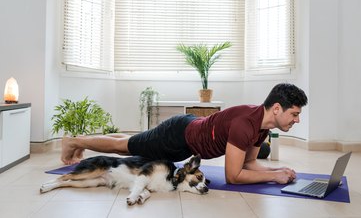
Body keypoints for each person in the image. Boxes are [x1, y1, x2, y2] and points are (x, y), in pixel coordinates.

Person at [61, 83, 308, 185]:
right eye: (294, 114)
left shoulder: (261, 125)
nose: (297, 120)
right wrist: (273, 177)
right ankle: (74, 141)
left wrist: (278, 171)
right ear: (277, 108)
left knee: (130, 142)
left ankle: (79, 141)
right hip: (177, 136)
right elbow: (233, 176)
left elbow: (250, 162)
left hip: (187, 133)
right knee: (126, 147)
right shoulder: (246, 124)